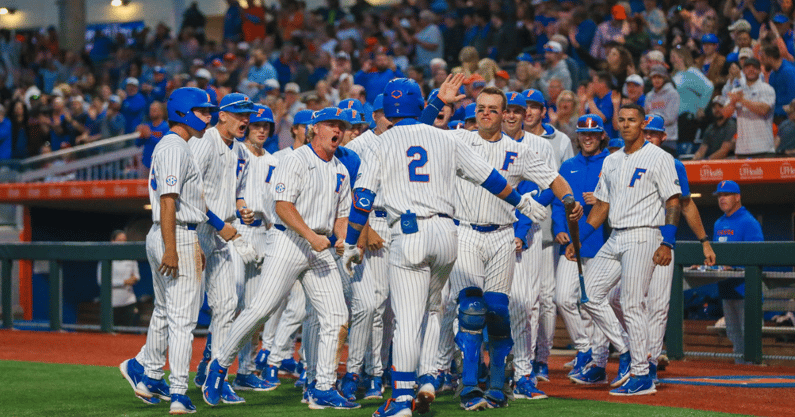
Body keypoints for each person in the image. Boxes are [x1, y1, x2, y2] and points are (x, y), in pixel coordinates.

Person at [339, 76, 566, 417]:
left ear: (386, 109)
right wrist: (521, 202)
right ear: (419, 105)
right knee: (435, 311)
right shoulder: (447, 139)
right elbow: (489, 177)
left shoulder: (384, 142)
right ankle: (430, 377)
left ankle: (401, 400)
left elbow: (363, 198)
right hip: (448, 234)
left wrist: (350, 241)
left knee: (406, 320)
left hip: (410, 231)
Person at [202, 107, 357, 410]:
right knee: (260, 309)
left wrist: (344, 240)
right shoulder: (295, 159)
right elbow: (283, 206)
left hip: (319, 246)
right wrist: (313, 237)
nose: (337, 131)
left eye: (341, 126)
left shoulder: (340, 169)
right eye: (331, 125)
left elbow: (342, 216)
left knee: (337, 317)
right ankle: (218, 367)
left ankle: (322, 387)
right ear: (315, 129)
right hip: (289, 240)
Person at [118, 87, 244, 414]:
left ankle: (147, 374)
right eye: (203, 111)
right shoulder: (175, 146)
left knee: (164, 311)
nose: (209, 116)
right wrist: (173, 248)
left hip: (170, 233)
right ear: (186, 112)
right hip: (175, 234)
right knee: (183, 321)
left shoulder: (179, 145)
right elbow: (168, 200)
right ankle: (178, 394)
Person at [565, 104, 681, 396]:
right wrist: (579, 240)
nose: (627, 124)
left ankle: (642, 375)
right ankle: (627, 348)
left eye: (632, 120)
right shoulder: (613, 160)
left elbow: (673, 201)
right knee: (588, 294)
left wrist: (668, 241)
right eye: (623, 120)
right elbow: (601, 206)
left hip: (645, 234)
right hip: (616, 235)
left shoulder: (660, 157)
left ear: (642, 125)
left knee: (631, 303)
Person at [632, 114, 716, 382]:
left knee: (658, 305)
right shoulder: (628, 160)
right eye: (646, 133)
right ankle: (632, 355)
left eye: (654, 133)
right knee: (624, 301)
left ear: (663, 136)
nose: (649, 138)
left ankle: (651, 362)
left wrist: (704, 241)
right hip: (632, 238)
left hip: (662, 239)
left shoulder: (674, 164)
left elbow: (686, 204)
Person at [191, 93, 259, 405]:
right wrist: (222, 224)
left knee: (227, 305)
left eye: (248, 114)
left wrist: (241, 208)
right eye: (240, 114)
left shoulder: (238, 150)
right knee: (180, 313)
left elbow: (236, 192)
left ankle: (215, 376)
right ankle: (148, 370)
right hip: (193, 231)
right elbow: (190, 193)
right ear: (222, 116)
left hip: (218, 232)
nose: (246, 120)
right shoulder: (205, 140)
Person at [552, 114, 610, 382]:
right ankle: (584, 349)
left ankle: (598, 359)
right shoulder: (569, 165)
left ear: (601, 136)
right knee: (563, 297)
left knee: (596, 303)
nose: (588, 138)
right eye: (584, 134)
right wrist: (558, 228)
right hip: (573, 244)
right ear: (578, 137)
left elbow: (621, 202)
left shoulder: (611, 162)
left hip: (602, 244)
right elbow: (555, 202)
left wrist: (600, 200)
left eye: (593, 133)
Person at [228, 104, 281, 392]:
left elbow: (273, 203)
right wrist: (240, 207)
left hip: (263, 232)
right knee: (230, 304)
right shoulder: (236, 151)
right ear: (247, 126)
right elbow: (228, 188)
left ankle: (245, 370)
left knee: (255, 309)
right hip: (237, 228)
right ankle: (212, 365)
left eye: (266, 126)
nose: (261, 129)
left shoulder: (273, 160)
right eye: (257, 124)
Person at [713, 180, 764, 363]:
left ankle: (752, 371)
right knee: (733, 335)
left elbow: (758, 256)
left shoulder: (749, 222)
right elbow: (714, 254)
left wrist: (735, 266)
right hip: (727, 288)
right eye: (719, 195)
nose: (722, 198)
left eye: (726, 195)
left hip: (745, 290)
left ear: (737, 197)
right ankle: (740, 372)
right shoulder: (719, 223)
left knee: (748, 334)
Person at [723, 57, 776, 157]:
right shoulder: (737, 91)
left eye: (754, 67)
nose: (751, 70)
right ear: (743, 70)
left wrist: (741, 100)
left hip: (764, 148)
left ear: (760, 70)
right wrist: (733, 103)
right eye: (747, 67)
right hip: (743, 149)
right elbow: (725, 114)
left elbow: (763, 110)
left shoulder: (767, 89)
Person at [96, 230, 141, 327]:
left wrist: (134, 279)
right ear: (113, 241)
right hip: (112, 303)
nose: (122, 243)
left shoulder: (130, 256)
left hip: (129, 300)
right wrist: (124, 282)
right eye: (119, 240)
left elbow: (137, 275)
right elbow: (101, 281)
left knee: (129, 334)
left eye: (124, 240)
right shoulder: (105, 258)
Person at [643, 65, 680, 153]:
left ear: (665, 78)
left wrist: (652, 115)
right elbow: (645, 116)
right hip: (651, 139)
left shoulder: (673, 94)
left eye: (659, 77)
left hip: (668, 139)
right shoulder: (649, 96)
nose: (656, 80)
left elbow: (670, 118)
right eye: (654, 77)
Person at [136, 102, 169, 169]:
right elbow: (138, 144)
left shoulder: (166, 127)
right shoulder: (147, 126)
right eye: (150, 110)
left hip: (160, 165)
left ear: (161, 112)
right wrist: (140, 135)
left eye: (154, 110)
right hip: (147, 164)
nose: (152, 112)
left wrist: (150, 135)